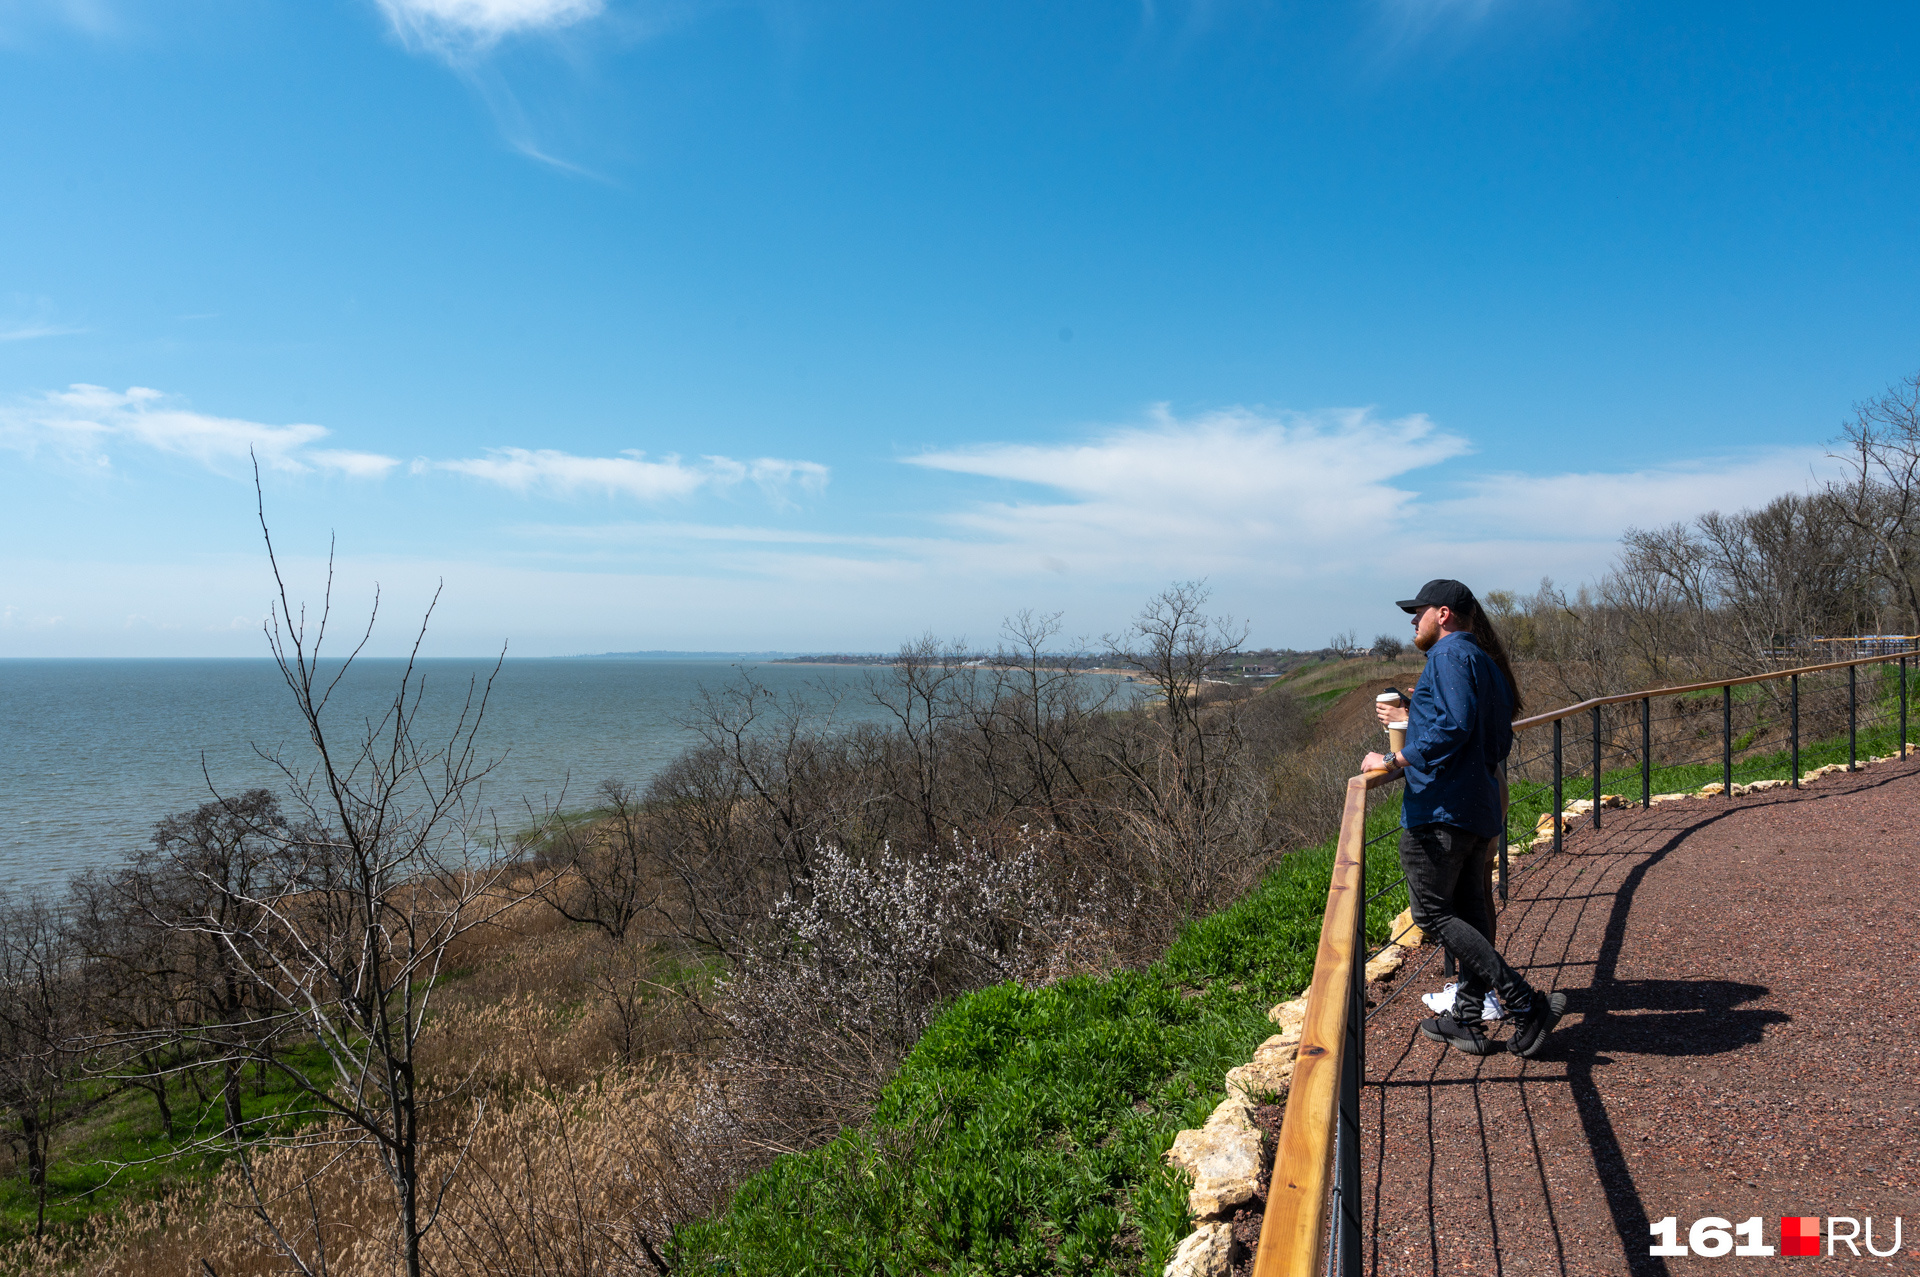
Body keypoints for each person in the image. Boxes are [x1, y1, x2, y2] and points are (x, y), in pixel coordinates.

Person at [1362, 579, 1566, 1058]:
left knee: (1431, 913)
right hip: (1477, 809)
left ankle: (1522, 1002)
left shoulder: (1449, 657)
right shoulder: (1489, 667)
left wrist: (1391, 761)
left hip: (1440, 812)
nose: (1413, 621)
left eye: (1419, 613)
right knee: (1473, 913)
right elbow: (1492, 741)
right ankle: (1467, 1018)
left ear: (1444, 614)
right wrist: (1423, 716)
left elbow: (1454, 726)